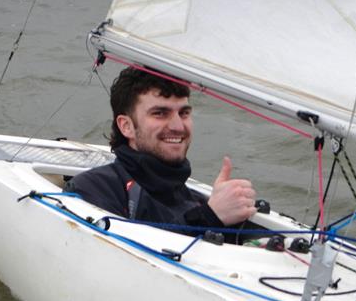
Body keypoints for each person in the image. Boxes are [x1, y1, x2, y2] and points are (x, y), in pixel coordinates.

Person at [65, 67, 257, 237]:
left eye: (183, 113)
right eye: (160, 113)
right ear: (126, 126)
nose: (177, 126)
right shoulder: (92, 189)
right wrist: (209, 218)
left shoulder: (193, 200)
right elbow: (123, 253)